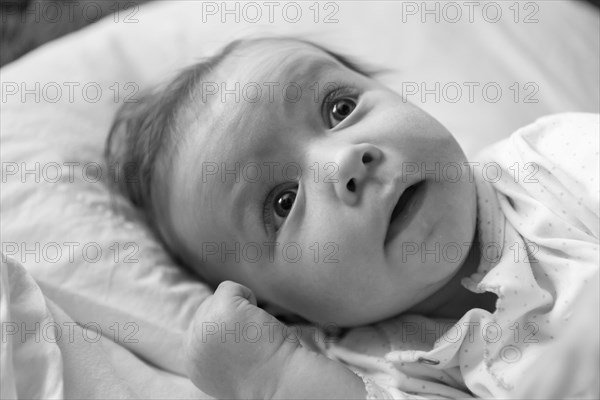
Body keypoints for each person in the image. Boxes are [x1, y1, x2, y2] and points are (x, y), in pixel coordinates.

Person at [105, 37, 599, 399]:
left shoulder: (549, 165)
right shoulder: (373, 372)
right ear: (282, 313)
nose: (344, 160)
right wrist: (274, 380)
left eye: (340, 108)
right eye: (283, 201)